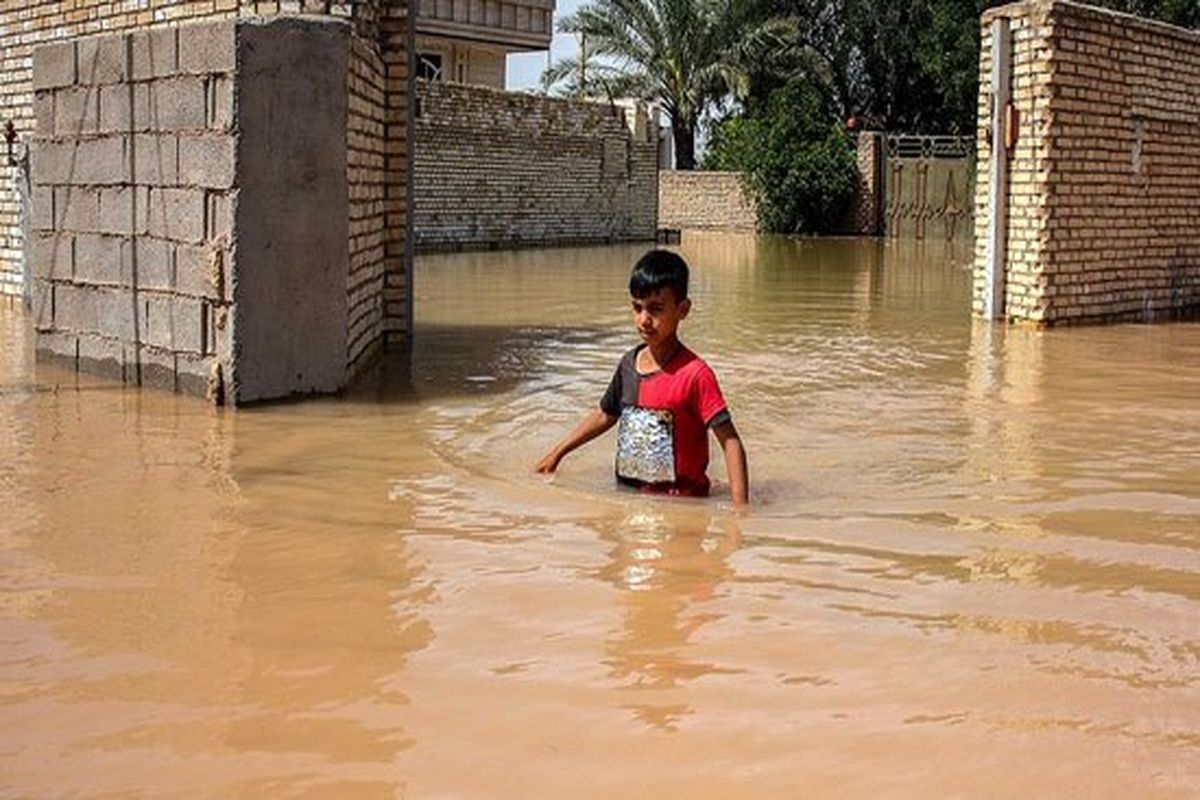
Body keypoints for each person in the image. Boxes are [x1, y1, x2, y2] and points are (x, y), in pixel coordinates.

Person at [535, 250, 749, 506]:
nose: (644, 320)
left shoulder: (695, 375)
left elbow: (730, 440)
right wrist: (556, 454)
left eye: (656, 309)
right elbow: (605, 414)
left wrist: (740, 511)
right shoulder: (628, 365)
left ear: (683, 310)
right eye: (637, 308)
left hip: (681, 504)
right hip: (628, 499)